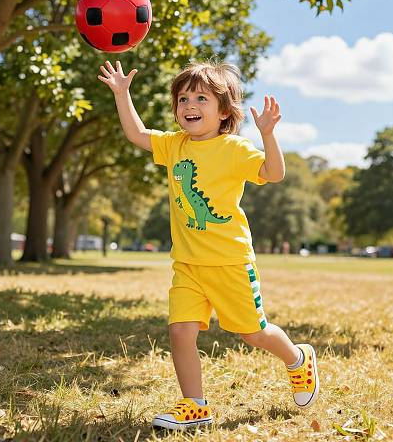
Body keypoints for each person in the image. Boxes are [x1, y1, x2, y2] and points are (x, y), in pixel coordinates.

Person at [98, 59, 319, 431]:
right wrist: (123, 94)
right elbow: (137, 134)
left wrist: (267, 134)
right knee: (180, 332)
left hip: (229, 262)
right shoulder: (174, 145)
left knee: (253, 333)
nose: (189, 105)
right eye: (183, 99)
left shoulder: (234, 148)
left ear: (224, 112)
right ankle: (195, 405)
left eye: (201, 98)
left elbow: (274, 173)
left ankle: (297, 358)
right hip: (187, 263)